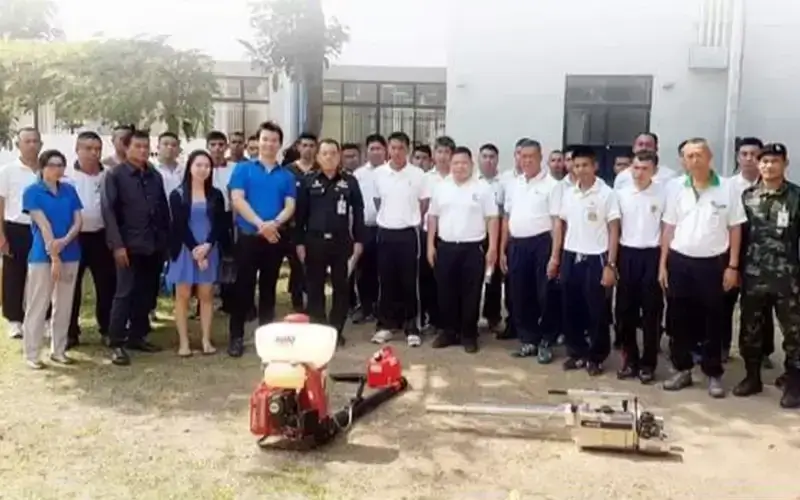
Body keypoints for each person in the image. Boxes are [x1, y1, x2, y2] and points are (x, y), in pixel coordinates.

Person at [660, 138, 746, 398]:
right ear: (683, 161)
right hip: (680, 261)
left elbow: (735, 228)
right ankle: (682, 369)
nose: (694, 160)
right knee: (678, 318)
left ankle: (713, 373)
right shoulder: (675, 187)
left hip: (713, 263)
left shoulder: (727, 188)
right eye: (689, 156)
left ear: (709, 157)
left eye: (699, 155)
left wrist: (733, 266)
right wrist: (663, 264)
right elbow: (669, 227)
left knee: (713, 319)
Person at [734, 143, 800, 408]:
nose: (769, 166)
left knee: (794, 333)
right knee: (750, 330)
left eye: (775, 161)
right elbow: (739, 236)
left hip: (788, 280)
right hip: (753, 277)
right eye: (765, 161)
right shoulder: (747, 197)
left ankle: (794, 383)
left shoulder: (796, 197)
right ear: (758, 165)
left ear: (785, 164)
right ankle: (752, 377)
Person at [101, 130, 171, 366]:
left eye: (145, 146)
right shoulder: (115, 175)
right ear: (126, 147)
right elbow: (109, 212)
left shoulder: (154, 175)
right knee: (124, 293)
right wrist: (117, 245)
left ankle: (137, 336)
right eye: (137, 146)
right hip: (128, 246)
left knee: (147, 292)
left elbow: (163, 209)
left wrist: (165, 241)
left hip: (153, 245)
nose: (142, 151)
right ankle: (116, 342)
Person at [227, 121, 296, 357]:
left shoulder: (286, 175)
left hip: (274, 238)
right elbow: (237, 199)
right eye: (265, 139)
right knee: (242, 288)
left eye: (274, 140)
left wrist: (273, 224)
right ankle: (236, 337)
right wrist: (260, 224)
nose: (269, 144)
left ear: (279, 144)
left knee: (269, 288)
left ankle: (266, 338)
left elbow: (290, 205)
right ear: (258, 142)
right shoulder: (243, 169)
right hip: (248, 237)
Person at [551, 146, 620, 376]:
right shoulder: (569, 193)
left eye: (585, 165)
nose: (580, 170)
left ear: (595, 166)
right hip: (571, 255)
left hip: (596, 257)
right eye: (577, 165)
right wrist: (556, 257)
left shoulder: (606, 193)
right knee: (571, 307)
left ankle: (596, 356)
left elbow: (613, 230)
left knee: (597, 310)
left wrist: (610, 264)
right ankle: (577, 352)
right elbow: (561, 224)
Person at [427, 146, 499, 353]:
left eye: (464, 163)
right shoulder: (441, 187)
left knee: (471, 293)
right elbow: (433, 217)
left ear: (471, 164)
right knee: (445, 291)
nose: (460, 167)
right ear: (450, 165)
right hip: (446, 247)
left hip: (473, 248)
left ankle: (468, 334)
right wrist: (430, 245)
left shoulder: (482, 188)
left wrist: (493, 248)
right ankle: (449, 332)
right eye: (456, 163)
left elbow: (492, 218)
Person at [294, 139, 365, 345]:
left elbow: (358, 212)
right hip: (314, 241)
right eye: (324, 153)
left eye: (333, 153)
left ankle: (335, 330)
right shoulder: (308, 181)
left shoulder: (350, 181)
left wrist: (359, 240)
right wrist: (299, 242)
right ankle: (319, 329)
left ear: (339, 156)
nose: (329, 157)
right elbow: (300, 215)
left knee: (341, 287)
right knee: (314, 287)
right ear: (318, 156)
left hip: (341, 241)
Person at [21, 150, 83, 369]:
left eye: (61, 165)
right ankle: (32, 353)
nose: (58, 169)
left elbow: (78, 222)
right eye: (53, 165)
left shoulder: (69, 190)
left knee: (64, 305)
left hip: (71, 252)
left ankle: (59, 350)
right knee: (38, 304)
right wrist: (54, 256)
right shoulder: (32, 192)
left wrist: (65, 241)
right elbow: (43, 224)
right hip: (42, 255)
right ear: (43, 167)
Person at [501, 139, 561, 363]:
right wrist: (503, 249)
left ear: (540, 157)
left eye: (531, 157)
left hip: (542, 244)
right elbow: (507, 217)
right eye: (522, 156)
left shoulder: (552, 185)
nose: (526, 161)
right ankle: (529, 339)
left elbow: (557, 223)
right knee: (520, 293)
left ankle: (547, 340)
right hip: (517, 244)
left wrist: (555, 255)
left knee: (544, 294)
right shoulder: (514, 184)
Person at [371, 131, 429, 347]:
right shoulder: (379, 174)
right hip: (385, 232)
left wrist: (409, 217)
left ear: (408, 150)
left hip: (409, 234)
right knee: (386, 280)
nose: (396, 152)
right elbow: (378, 201)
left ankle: (412, 327)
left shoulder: (418, 175)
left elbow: (424, 203)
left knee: (409, 281)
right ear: (388, 149)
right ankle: (385, 325)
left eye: (401, 148)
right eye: (393, 148)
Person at [167, 150, 227, 357]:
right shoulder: (177, 194)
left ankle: (206, 339)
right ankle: (184, 342)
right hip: (185, 249)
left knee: (206, 294)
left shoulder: (216, 195)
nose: (203, 169)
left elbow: (220, 224)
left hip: (209, 249)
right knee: (182, 296)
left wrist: (207, 246)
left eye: (207, 166)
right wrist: (195, 250)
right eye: (198, 165)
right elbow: (179, 226)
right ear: (190, 167)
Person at [615, 151, 666, 384]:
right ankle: (630, 360)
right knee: (625, 311)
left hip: (652, 255)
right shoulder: (621, 194)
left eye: (645, 168)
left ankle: (648, 363)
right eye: (635, 168)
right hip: (627, 254)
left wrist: (663, 263)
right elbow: (615, 228)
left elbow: (667, 229)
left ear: (654, 170)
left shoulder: (663, 194)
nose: (639, 173)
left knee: (651, 313)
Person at [724, 137, 775, 365]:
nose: (749, 159)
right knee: (725, 302)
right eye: (744, 154)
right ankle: (722, 346)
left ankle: (763, 352)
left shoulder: (772, 186)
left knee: (761, 304)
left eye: (754, 155)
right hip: (731, 251)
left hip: (762, 254)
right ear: (737, 157)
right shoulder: (727, 187)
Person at [65, 131, 116, 349]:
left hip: (101, 237)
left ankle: (107, 329)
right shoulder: (66, 175)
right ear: (77, 149)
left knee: (106, 286)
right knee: (71, 287)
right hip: (73, 238)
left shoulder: (109, 175)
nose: (94, 153)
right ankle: (70, 332)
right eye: (88, 148)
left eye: (97, 149)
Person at [0, 127, 42, 339]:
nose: (32, 145)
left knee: (42, 275)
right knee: (14, 275)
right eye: (28, 141)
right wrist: (1, 235)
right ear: (18, 145)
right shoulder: (7, 171)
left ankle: (43, 318)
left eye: (35, 141)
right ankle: (15, 320)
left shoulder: (47, 169)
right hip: (16, 228)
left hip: (42, 229)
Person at [351, 134, 387, 324]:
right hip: (365, 228)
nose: (375, 152)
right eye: (372, 148)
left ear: (385, 151)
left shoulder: (390, 172)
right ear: (366, 152)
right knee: (364, 270)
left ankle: (383, 309)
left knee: (385, 270)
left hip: (386, 229)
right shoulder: (358, 175)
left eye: (379, 148)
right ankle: (365, 307)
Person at [420, 136, 455, 332]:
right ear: (434, 154)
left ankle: (450, 320)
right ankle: (433, 319)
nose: (443, 156)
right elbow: (423, 207)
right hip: (429, 234)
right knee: (429, 279)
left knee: (449, 280)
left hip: (451, 235)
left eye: (447, 152)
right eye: (439, 151)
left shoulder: (459, 176)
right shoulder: (426, 178)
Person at [284, 132, 318, 313]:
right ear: (298, 147)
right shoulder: (288, 171)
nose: (308, 149)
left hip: (315, 227)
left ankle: (312, 299)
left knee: (313, 264)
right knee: (296, 264)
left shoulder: (321, 169)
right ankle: (297, 300)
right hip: (292, 226)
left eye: (311, 146)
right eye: (304, 145)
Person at [477, 143, 507, 333]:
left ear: (497, 160)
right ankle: (470, 316)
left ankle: (492, 316)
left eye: (492, 157)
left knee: (494, 277)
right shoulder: (472, 181)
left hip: (496, 234)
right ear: (478, 159)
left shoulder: (505, 183)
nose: (488, 160)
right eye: (485, 156)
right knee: (473, 277)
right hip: (475, 234)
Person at [208, 131, 237, 315]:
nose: (217, 148)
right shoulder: (202, 166)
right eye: (213, 145)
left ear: (226, 147)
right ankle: (207, 299)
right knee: (208, 257)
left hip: (228, 216)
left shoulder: (234, 168)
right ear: (208, 147)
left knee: (228, 258)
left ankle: (228, 299)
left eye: (220, 145)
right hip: (207, 217)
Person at [613, 133, 678, 190]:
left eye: (648, 145)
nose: (644, 148)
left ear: (656, 149)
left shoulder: (670, 176)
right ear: (633, 148)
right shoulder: (622, 177)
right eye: (640, 144)